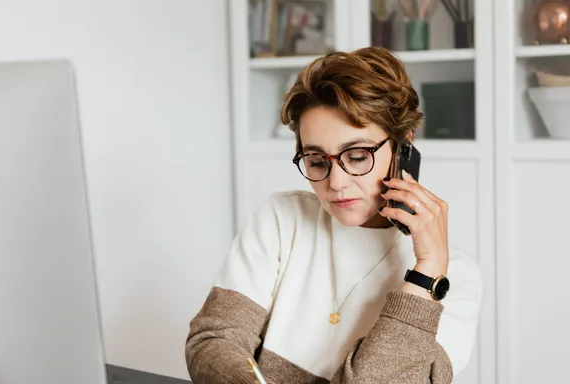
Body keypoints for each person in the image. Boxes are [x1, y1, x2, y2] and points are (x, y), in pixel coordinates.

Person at [185, 47, 482, 383]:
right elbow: (213, 342)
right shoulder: (282, 219)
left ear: (403, 145)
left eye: (356, 156)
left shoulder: (453, 279)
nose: (336, 183)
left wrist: (426, 274)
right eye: (316, 161)